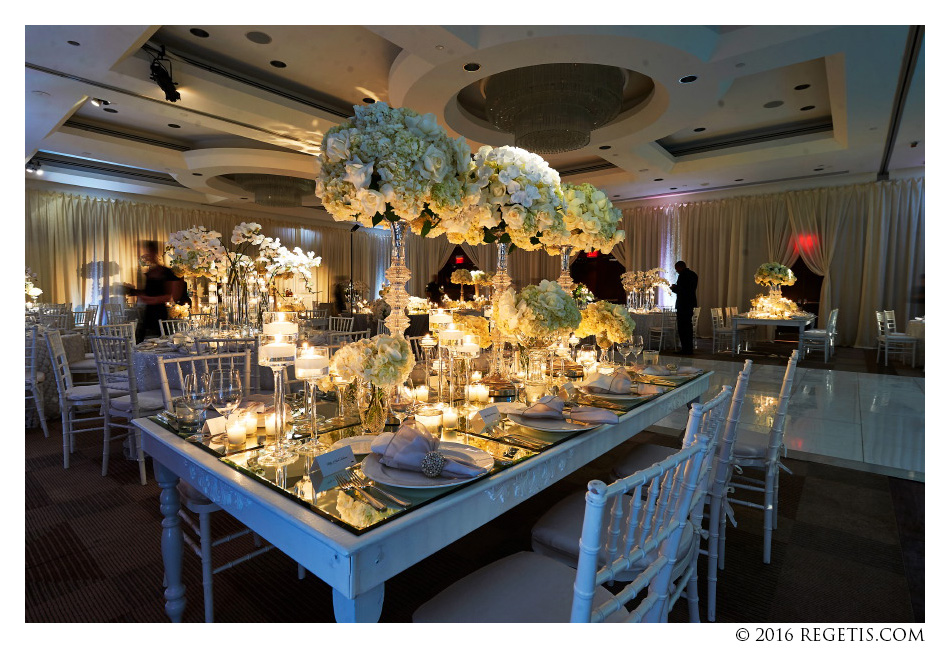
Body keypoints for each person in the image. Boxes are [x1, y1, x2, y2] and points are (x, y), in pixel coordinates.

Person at [123, 240, 183, 343]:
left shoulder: (165, 272)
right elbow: (147, 293)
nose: (146, 255)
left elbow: (169, 296)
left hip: (160, 312)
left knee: (162, 340)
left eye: (149, 252)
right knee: (140, 340)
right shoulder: (150, 272)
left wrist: (149, 299)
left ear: (154, 253)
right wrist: (133, 291)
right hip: (149, 311)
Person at [670, 260, 698, 355]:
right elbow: (690, 289)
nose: (676, 271)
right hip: (690, 304)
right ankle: (689, 349)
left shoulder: (682, 275)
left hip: (683, 305)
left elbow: (683, 291)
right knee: (688, 327)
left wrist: (674, 288)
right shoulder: (693, 274)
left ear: (680, 267)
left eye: (676, 269)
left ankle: (685, 349)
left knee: (682, 328)